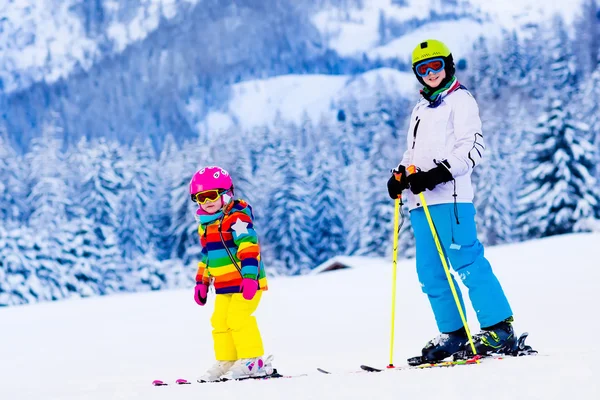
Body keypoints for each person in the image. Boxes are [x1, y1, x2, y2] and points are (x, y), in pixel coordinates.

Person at [387, 39, 514, 363]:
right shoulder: (420, 109)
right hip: (421, 204)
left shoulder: (461, 100)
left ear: (448, 66)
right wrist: (400, 175)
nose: (430, 73)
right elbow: (413, 153)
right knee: (430, 273)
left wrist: (437, 174)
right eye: (423, 69)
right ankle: (455, 334)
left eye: (436, 66)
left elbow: (473, 146)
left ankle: (499, 329)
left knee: (467, 262)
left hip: (451, 199)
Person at [189, 166, 271, 381]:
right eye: (200, 197)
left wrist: (250, 277)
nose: (206, 201)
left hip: (246, 282)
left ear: (226, 193)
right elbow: (207, 256)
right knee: (219, 321)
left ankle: (253, 360)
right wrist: (202, 283)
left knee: (238, 317)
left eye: (210, 195)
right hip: (224, 285)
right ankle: (228, 360)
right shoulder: (206, 226)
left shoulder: (237, 218)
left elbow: (249, 246)